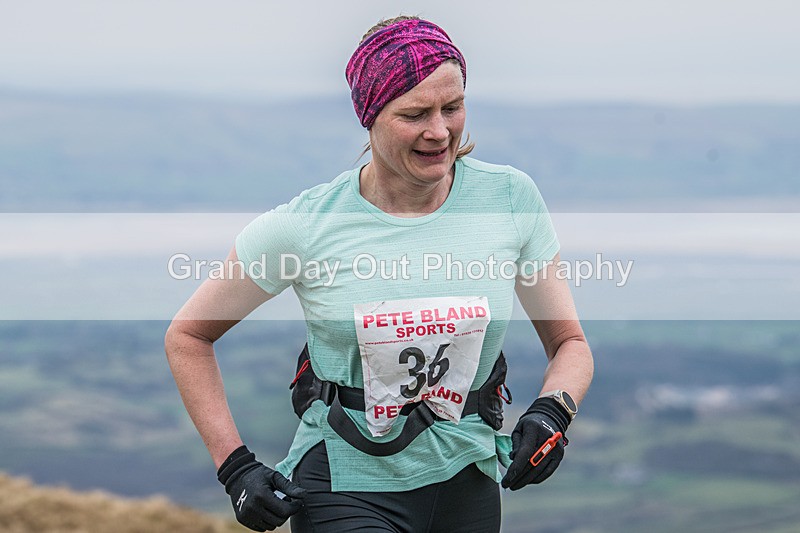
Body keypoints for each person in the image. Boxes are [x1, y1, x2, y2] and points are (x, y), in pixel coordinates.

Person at [165, 15, 593, 533]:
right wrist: (235, 468)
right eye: (414, 114)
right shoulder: (306, 226)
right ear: (370, 116)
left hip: (466, 477)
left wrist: (553, 413)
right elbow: (188, 335)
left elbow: (570, 342)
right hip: (343, 483)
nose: (439, 131)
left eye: (452, 108)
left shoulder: (509, 199)